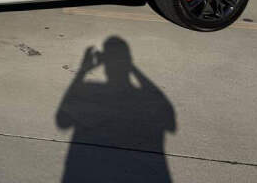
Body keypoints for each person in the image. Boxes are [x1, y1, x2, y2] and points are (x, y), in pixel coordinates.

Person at [56, 37, 176, 182]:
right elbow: (168, 118)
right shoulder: (140, 96)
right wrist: (131, 67)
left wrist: (83, 70)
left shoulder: (92, 87)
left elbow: (62, 121)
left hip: (86, 170)